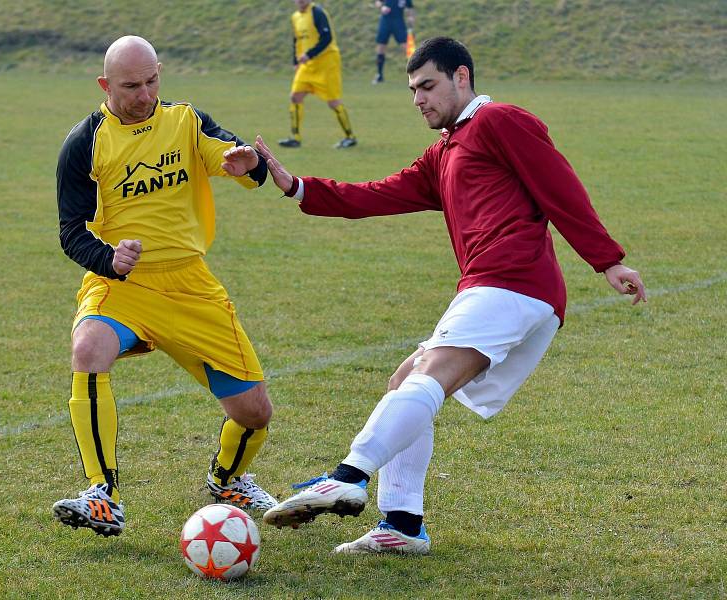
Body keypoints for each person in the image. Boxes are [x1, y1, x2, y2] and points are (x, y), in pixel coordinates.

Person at [256, 37, 647, 554]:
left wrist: (608, 259)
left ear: (462, 77)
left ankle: (347, 476)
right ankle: (401, 524)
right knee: (406, 381)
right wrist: (296, 186)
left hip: (513, 282)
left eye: (428, 86)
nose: (418, 98)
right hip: (503, 289)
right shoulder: (445, 152)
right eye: (413, 89)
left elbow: (561, 186)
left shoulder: (501, 121)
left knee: (425, 376)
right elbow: (377, 194)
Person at [53, 35, 277, 537]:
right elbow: (71, 231)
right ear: (105, 85)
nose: (146, 94)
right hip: (124, 285)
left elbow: (232, 155)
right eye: (132, 86)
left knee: (254, 412)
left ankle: (228, 479)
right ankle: (101, 492)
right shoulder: (84, 143)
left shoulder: (186, 121)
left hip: (192, 286)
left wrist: (249, 164)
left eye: (152, 80)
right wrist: (108, 259)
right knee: (88, 348)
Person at [278, 0, 357, 149]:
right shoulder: (295, 17)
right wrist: (296, 60)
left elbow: (327, 38)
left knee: (333, 102)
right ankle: (295, 138)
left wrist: (309, 54)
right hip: (307, 65)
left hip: (327, 63)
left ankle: (349, 137)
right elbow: (296, 40)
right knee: (295, 96)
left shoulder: (318, 13)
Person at [372, 0, 416, 85]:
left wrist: (411, 17)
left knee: (407, 49)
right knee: (381, 47)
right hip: (385, 22)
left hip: (399, 22)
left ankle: (414, 75)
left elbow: (410, 7)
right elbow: (377, 2)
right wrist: (382, 7)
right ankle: (379, 75)